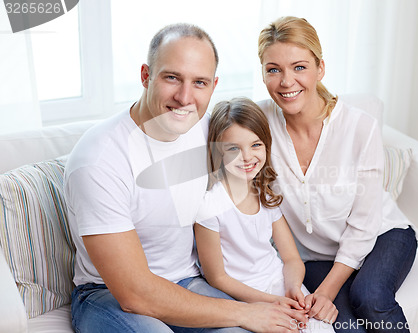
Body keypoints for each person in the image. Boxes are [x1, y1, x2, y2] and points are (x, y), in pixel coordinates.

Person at [64, 23, 307, 333]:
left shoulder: (209, 132)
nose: (184, 97)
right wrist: (246, 313)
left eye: (200, 82)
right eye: (172, 77)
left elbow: (259, 157)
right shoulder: (99, 159)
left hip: (188, 281)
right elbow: (134, 293)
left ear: (214, 85)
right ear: (145, 75)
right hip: (106, 295)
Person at [256, 16, 418, 333]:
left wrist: (328, 289)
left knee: (369, 297)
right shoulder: (258, 123)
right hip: (314, 256)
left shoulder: (358, 127)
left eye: (299, 67)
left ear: (321, 68)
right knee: (343, 325)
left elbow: (364, 223)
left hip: (382, 235)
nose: (286, 81)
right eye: (273, 69)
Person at [194, 97, 337, 333]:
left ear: (266, 145)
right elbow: (217, 278)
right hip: (245, 298)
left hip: (280, 284)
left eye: (256, 145)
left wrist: (294, 288)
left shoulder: (265, 194)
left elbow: (291, 258)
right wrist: (273, 302)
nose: (247, 157)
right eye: (233, 149)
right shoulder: (210, 206)